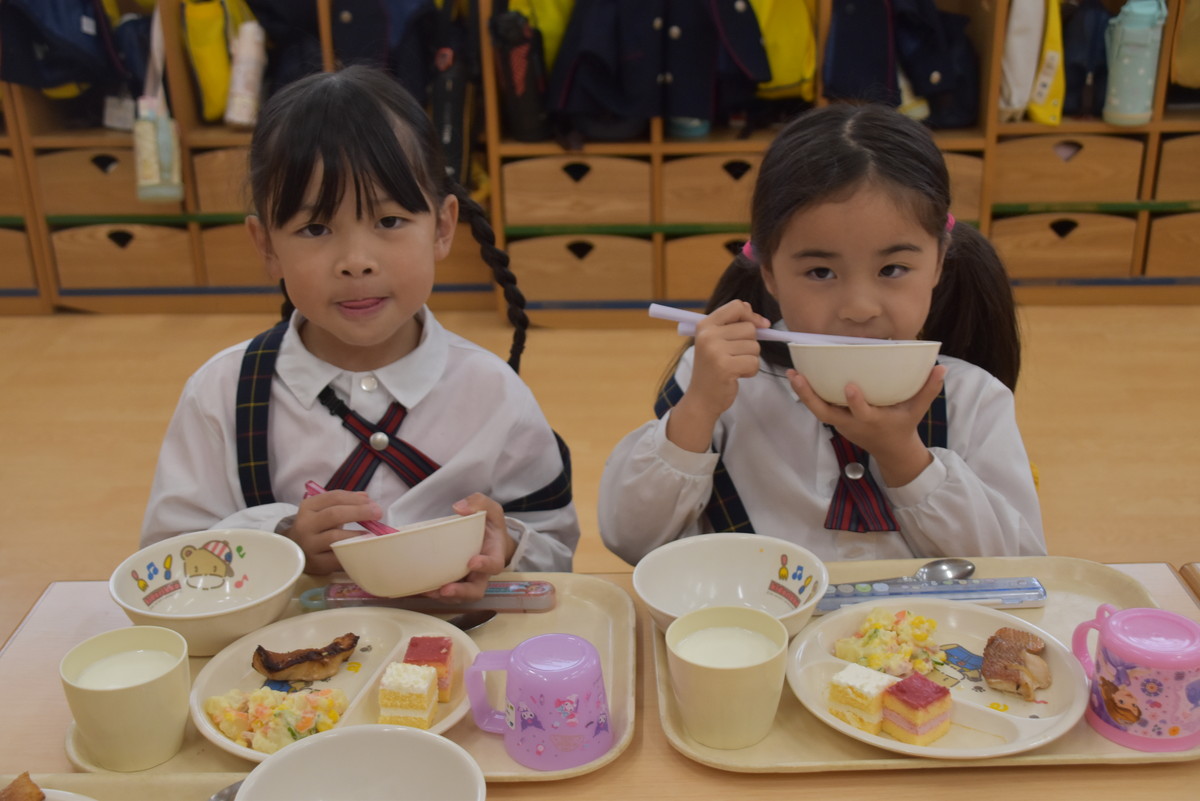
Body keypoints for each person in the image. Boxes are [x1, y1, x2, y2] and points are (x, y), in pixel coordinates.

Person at [141, 66, 579, 598]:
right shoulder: (222, 394)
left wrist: (505, 548)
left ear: (443, 227)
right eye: (315, 228)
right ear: (267, 246)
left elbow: (556, 547)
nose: (356, 261)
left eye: (389, 221)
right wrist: (281, 543)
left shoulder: (494, 392)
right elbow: (167, 564)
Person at [599, 102, 1045, 565]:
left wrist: (903, 456)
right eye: (820, 272)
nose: (859, 308)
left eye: (892, 269)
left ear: (938, 261)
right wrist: (698, 409)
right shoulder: (726, 382)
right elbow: (631, 539)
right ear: (769, 273)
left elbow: (1022, 568)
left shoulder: (972, 398)